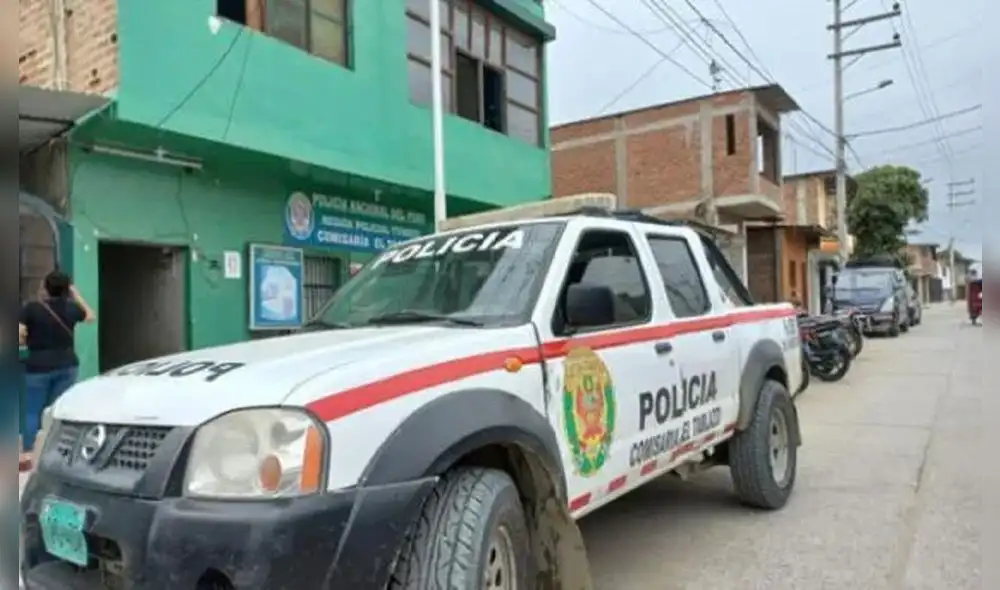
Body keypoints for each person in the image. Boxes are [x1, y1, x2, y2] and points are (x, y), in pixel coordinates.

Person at [18, 271, 95, 452]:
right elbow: (91, 316)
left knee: (33, 411)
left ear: (45, 288)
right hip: (67, 365)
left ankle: (30, 450)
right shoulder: (72, 308)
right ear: (67, 289)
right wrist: (77, 295)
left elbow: (19, 335)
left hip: (38, 366)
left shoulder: (31, 308)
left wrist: (27, 339)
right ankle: (57, 449)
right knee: (59, 409)